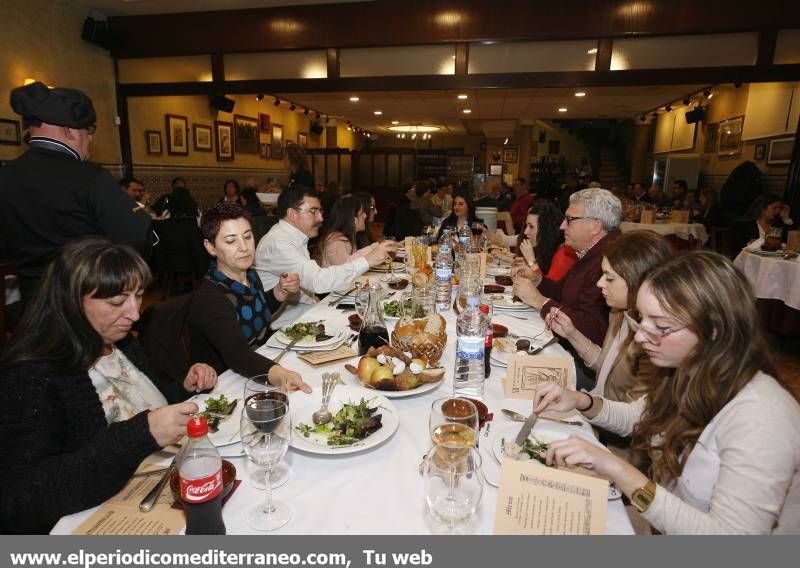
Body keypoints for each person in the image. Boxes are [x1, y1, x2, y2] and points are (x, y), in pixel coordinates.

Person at [532, 251, 800, 534]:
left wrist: (618, 470)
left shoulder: (763, 416)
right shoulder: (690, 370)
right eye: (641, 319)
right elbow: (637, 417)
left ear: (715, 330)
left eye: (660, 326)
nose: (639, 336)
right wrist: (580, 400)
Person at [0, 238, 218, 533]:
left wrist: (186, 387)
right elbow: (21, 501)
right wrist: (140, 434)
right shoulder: (34, 373)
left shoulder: (120, 341)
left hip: (155, 486)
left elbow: (150, 399)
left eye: (139, 295)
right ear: (71, 301)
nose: (135, 314)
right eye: (116, 302)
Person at [0, 82, 152, 308]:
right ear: (69, 131)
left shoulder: (5, 176)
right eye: (89, 131)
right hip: (85, 305)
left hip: (32, 307)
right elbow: (139, 237)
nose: (90, 140)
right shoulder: (90, 177)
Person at [546, 231, 673, 454]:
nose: (599, 283)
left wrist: (582, 400)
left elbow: (636, 420)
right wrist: (572, 333)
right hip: (596, 415)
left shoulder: (654, 341)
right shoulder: (619, 312)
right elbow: (605, 366)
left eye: (609, 278)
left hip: (617, 445)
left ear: (638, 281)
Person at [187, 204, 311, 393]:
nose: (244, 247)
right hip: (224, 385)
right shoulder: (210, 298)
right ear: (210, 247)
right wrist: (283, 376)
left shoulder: (249, 276)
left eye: (247, 236)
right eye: (231, 241)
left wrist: (280, 291)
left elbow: (257, 311)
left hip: (257, 365)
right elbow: (238, 354)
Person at [255, 185, 396, 329]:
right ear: (292, 214)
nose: (321, 218)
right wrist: (368, 260)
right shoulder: (278, 243)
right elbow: (318, 281)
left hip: (308, 315)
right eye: (313, 211)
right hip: (288, 327)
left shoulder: (293, 237)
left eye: (320, 211)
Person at [513, 188, 621, 348]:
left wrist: (539, 301)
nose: (562, 226)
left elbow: (594, 329)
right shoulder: (589, 253)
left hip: (579, 359)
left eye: (569, 219)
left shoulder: (609, 260)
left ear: (595, 226)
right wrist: (537, 280)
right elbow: (562, 292)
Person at [513, 201, 577, 281]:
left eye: (531, 227)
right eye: (527, 226)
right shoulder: (548, 248)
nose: (526, 232)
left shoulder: (564, 254)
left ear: (546, 229)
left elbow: (548, 289)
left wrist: (531, 262)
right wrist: (527, 264)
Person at [317, 196, 386, 267]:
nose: (365, 216)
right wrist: (373, 248)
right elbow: (345, 267)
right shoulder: (335, 240)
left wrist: (375, 247)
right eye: (362, 213)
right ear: (353, 219)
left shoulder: (345, 236)